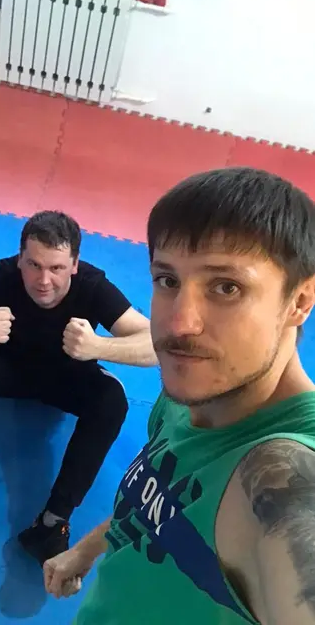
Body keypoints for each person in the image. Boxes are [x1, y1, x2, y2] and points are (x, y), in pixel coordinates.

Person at [43, 167, 315, 625]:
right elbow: (163, 500)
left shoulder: (282, 467)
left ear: (300, 301)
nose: (180, 323)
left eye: (226, 287)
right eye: (168, 281)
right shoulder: (188, 392)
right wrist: (86, 550)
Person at [0, 210, 157, 565]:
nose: (43, 280)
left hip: (66, 379)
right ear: (20, 259)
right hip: (9, 371)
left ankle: (53, 524)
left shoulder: (92, 286)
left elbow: (155, 345)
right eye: (34, 265)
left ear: (74, 265)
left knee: (112, 401)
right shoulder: (3, 277)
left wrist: (99, 347)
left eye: (56, 268)